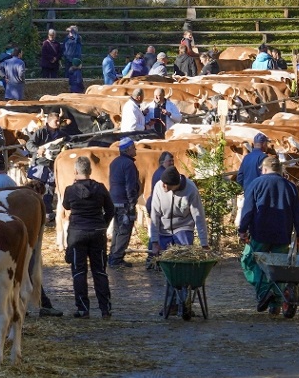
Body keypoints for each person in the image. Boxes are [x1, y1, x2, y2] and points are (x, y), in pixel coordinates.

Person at [239, 156, 299, 314]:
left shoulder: (255, 184)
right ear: (280, 170)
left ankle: (264, 292)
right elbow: (298, 212)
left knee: (249, 262)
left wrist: (242, 230)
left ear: (263, 169)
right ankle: (275, 304)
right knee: (279, 269)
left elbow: (247, 209)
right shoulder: (290, 186)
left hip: (260, 234)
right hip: (282, 234)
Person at [62, 155, 115, 319]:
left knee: (79, 271)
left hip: (78, 233)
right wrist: (103, 225)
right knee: (100, 271)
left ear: (76, 171)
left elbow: (66, 206)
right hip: (97, 233)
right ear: (90, 171)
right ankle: (105, 309)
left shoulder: (70, 190)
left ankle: (83, 308)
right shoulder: (100, 188)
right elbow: (111, 210)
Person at [149, 166, 209, 251]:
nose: (163, 186)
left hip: (183, 228)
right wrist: (154, 241)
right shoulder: (159, 187)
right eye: (163, 182)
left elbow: (198, 216)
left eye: (166, 185)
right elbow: (155, 214)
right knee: (153, 257)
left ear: (175, 185)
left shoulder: (191, 189)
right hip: (163, 230)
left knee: (184, 257)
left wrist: (204, 243)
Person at [108, 137, 141, 269]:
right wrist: (132, 203)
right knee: (124, 231)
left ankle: (112, 255)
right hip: (124, 203)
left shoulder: (114, 162)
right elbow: (130, 185)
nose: (135, 149)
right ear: (127, 149)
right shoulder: (129, 164)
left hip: (114, 201)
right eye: (133, 147)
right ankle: (117, 259)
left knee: (117, 229)